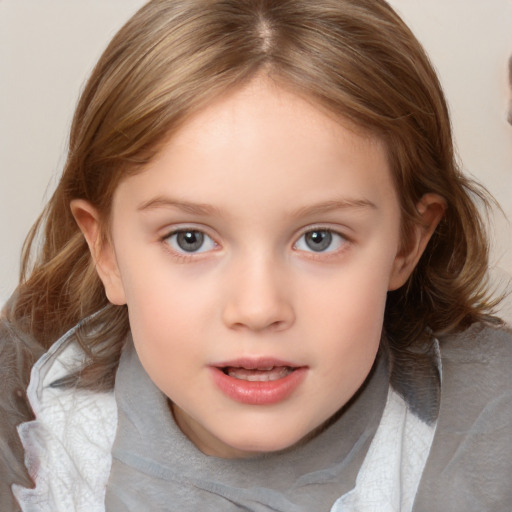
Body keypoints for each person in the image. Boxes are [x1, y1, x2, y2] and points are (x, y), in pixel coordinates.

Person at [1, 0, 511, 510]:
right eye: (190, 239)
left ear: (407, 243)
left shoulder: (492, 433)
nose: (258, 308)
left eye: (319, 239)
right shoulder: (33, 427)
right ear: (105, 250)